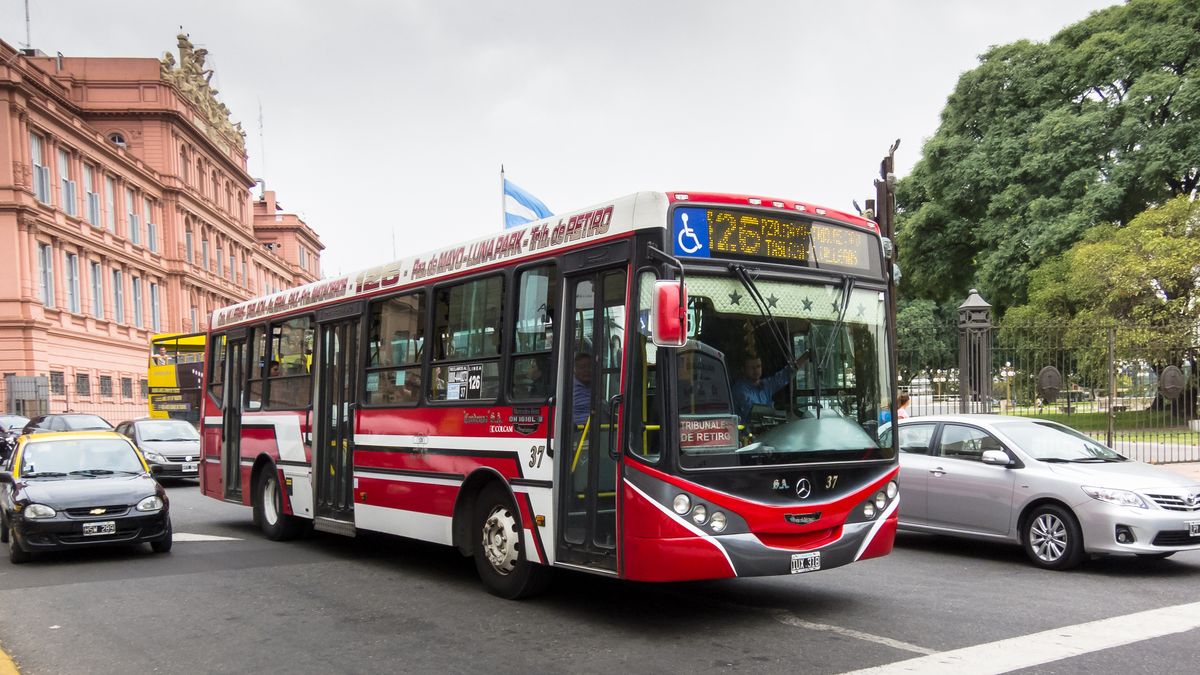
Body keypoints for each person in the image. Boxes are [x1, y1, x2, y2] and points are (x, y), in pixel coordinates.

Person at [732, 352, 810, 424]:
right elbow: (754, 412)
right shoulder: (739, 389)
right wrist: (781, 414)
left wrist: (805, 356)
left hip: (768, 432)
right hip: (747, 435)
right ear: (743, 369)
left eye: (758, 366)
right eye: (752, 368)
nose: (756, 370)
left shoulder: (766, 385)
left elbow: (785, 375)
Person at [572, 353, 592, 426]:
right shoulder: (571, 389)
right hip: (579, 431)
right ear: (575, 370)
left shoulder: (592, 386)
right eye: (582, 367)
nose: (587, 370)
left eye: (590, 366)